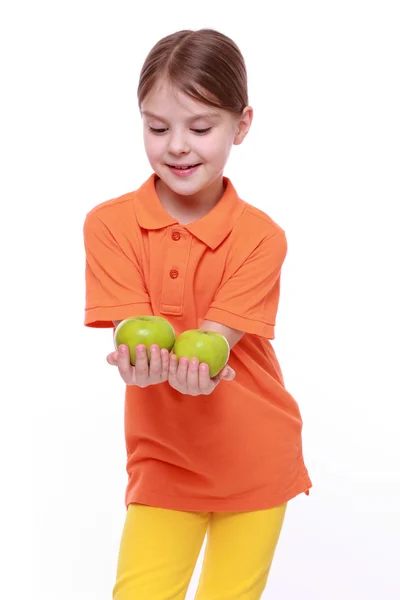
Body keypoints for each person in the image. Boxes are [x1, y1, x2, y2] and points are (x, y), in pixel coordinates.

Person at [83, 27, 312, 600]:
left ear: (242, 124)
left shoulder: (263, 237)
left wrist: (189, 364)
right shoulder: (109, 225)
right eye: (157, 127)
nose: (177, 146)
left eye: (201, 127)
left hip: (256, 456)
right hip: (163, 459)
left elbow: (213, 342)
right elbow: (134, 330)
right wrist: (139, 361)